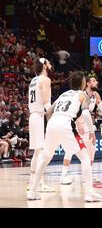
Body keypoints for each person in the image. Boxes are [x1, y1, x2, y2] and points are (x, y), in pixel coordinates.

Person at [27, 71, 102, 202]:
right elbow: (86, 114)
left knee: (44, 158)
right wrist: (92, 131)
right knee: (85, 157)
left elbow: (49, 111)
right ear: (83, 83)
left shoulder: (63, 94)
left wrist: (55, 123)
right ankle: (89, 193)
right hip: (66, 124)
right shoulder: (83, 95)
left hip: (52, 124)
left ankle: (32, 191)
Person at [59, 75, 102, 185]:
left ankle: (87, 175)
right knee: (70, 150)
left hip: (86, 125)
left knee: (91, 150)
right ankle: (64, 174)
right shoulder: (81, 95)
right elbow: (76, 111)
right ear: (88, 84)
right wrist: (78, 124)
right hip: (75, 124)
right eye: (94, 81)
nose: (97, 82)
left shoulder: (96, 95)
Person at [27, 58, 55, 193]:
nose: (50, 64)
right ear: (44, 65)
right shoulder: (45, 79)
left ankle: (33, 182)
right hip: (38, 116)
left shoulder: (33, 80)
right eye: (48, 62)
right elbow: (45, 101)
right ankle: (40, 183)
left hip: (33, 115)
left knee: (37, 152)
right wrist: (54, 117)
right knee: (42, 152)